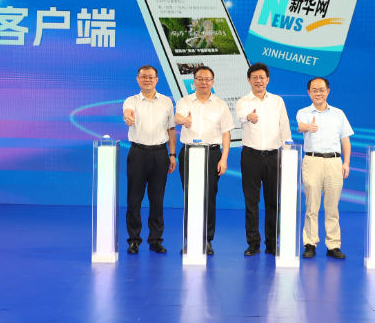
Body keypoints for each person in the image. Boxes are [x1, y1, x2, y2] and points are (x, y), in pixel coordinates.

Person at [174, 66, 234, 255]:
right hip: (189, 153)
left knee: (209, 197)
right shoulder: (185, 101)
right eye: (200, 79)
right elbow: (177, 116)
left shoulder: (220, 105)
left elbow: (226, 133)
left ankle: (207, 240)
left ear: (212, 82)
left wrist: (224, 158)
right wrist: (183, 120)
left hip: (212, 154)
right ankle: (190, 240)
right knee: (190, 197)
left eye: (207, 79)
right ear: (194, 81)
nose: (203, 82)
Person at [235, 63, 291, 256]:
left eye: (262, 77)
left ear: (268, 80)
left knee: (273, 203)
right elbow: (241, 115)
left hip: (273, 157)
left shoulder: (277, 101)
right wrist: (249, 116)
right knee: (251, 203)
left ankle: (272, 243)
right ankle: (253, 243)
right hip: (250, 157)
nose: (258, 80)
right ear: (249, 80)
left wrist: (287, 153)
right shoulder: (243, 101)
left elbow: (284, 128)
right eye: (255, 77)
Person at [122, 65, 177, 254]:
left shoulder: (167, 102)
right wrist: (128, 118)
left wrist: (172, 155)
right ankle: (133, 240)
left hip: (160, 154)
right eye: (143, 76)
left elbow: (171, 129)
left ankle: (155, 240)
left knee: (157, 199)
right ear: (138, 79)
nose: (147, 79)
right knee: (134, 199)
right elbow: (127, 113)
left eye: (151, 77)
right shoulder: (131, 100)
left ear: (157, 79)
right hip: (138, 153)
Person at [296, 77, 353, 259]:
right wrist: (308, 127)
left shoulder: (338, 114)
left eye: (321, 89)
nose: (318, 93)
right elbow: (301, 126)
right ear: (309, 93)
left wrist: (346, 163)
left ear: (328, 91)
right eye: (314, 90)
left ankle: (333, 245)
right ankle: (310, 244)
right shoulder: (304, 112)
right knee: (311, 206)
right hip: (312, 161)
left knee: (332, 207)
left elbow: (345, 139)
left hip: (334, 162)